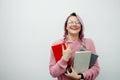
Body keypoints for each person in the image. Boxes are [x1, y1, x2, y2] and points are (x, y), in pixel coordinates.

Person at [49, 12, 100, 80]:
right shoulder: (57, 44)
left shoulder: (88, 42)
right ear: (66, 26)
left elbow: (96, 68)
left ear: (81, 27)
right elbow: (53, 73)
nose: (74, 24)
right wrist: (64, 59)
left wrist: (80, 76)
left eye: (77, 22)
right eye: (71, 22)